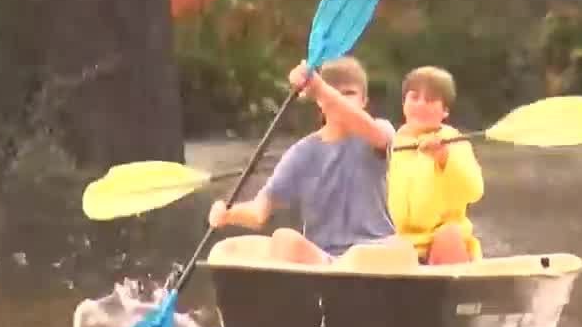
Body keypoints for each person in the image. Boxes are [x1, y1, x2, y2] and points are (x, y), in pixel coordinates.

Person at [207, 57, 402, 264]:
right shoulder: (301, 153)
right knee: (282, 239)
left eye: (349, 94)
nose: (341, 100)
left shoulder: (378, 130)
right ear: (318, 101)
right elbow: (258, 212)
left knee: (398, 247)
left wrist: (320, 87)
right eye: (334, 93)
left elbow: (373, 133)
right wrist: (227, 214)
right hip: (323, 259)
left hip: (376, 252)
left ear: (364, 101)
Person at [387, 66, 485, 265]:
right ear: (404, 103)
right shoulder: (389, 143)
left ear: (445, 111)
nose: (421, 105)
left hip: (440, 245)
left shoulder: (453, 141)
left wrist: (444, 158)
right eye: (414, 97)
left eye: (430, 100)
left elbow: (474, 191)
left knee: (449, 235)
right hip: (399, 246)